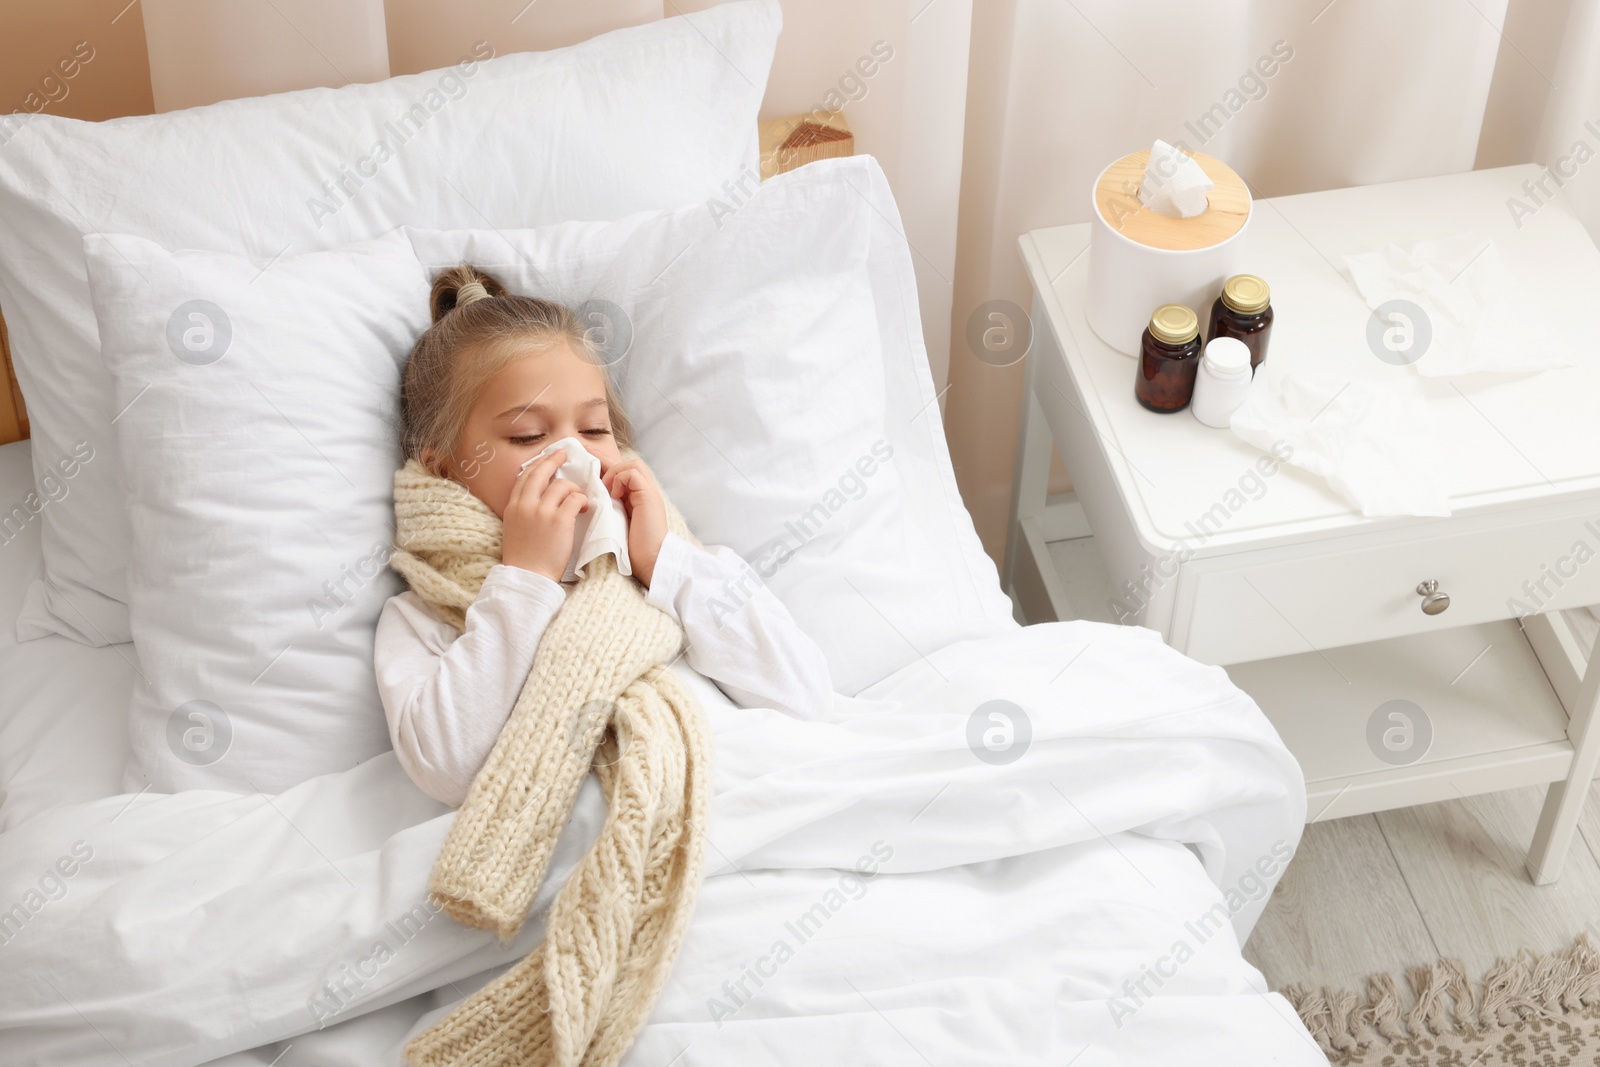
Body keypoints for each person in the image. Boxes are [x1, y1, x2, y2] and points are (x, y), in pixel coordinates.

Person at [373, 264, 832, 807]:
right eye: (528, 435)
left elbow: (805, 698)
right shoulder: (427, 617)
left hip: (745, 795)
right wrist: (524, 581)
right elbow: (448, 769)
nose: (576, 454)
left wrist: (667, 564)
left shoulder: (673, 567)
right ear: (446, 469)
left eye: (594, 429)